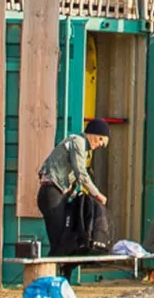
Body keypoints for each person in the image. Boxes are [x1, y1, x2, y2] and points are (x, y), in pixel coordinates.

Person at [36, 118, 110, 276]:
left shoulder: (83, 150)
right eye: (100, 140)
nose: (99, 145)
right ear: (93, 134)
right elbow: (81, 174)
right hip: (51, 193)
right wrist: (97, 195)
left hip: (60, 195)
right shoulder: (78, 142)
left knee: (68, 241)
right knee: (59, 243)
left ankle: (62, 279)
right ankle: (47, 280)